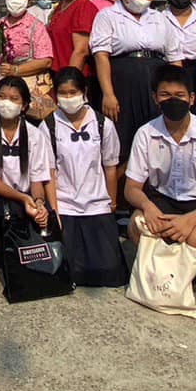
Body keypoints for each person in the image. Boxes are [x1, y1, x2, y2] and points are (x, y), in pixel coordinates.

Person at [124, 65, 196, 281]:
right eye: (165, 95)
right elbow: (131, 188)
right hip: (162, 201)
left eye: (179, 95)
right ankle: (163, 270)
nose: (172, 100)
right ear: (155, 98)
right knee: (138, 224)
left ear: (192, 98)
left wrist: (190, 221)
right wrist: (148, 207)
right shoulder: (145, 133)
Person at [89, 0, 182, 180]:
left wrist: (180, 90)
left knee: (158, 135)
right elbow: (101, 55)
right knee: (122, 139)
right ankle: (120, 195)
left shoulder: (160, 18)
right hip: (123, 80)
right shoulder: (107, 16)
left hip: (156, 79)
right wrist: (108, 94)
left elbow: (175, 57)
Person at [45, 68, 127, 286]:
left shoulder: (102, 124)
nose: (69, 98)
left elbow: (110, 166)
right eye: (63, 93)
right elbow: (50, 173)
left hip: (96, 204)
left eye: (73, 92)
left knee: (108, 270)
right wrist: (55, 212)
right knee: (70, 270)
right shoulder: (49, 125)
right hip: (65, 204)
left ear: (84, 92)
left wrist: (111, 203)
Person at [0, 75, 53, 253]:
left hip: (26, 194)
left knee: (38, 218)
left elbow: (37, 178)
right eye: (2, 97)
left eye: (14, 98)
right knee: (12, 216)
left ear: (24, 105)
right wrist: (24, 199)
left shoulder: (35, 135)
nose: (6, 103)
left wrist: (39, 202)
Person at [0, 0, 53, 122]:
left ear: (28, 0)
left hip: (30, 88)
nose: (16, 0)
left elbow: (46, 61)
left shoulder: (35, 26)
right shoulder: (0, 24)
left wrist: (16, 70)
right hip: (5, 87)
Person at [46, 0, 97, 73]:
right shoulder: (60, 7)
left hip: (74, 74)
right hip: (57, 71)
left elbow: (81, 50)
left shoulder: (83, 7)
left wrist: (71, 78)